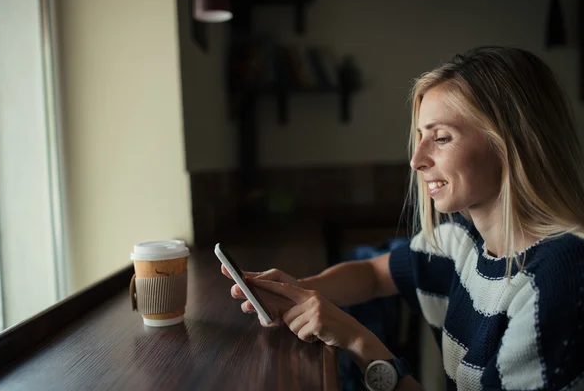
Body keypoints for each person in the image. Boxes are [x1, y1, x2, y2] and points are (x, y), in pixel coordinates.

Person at [221, 46, 584, 391]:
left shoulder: (559, 275)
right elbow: (374, 274)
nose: (417, 160)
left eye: (441, 138)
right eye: (421, 136)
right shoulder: (461, 242)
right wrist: (296, 292)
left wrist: (357, 340)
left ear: (512, 142)